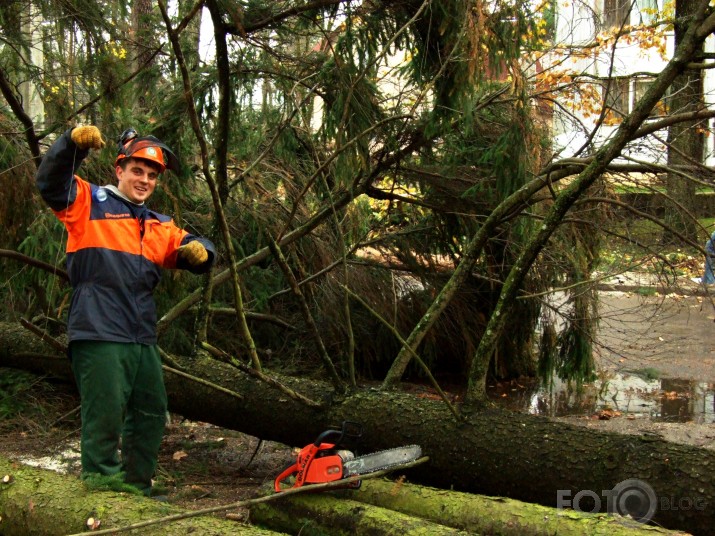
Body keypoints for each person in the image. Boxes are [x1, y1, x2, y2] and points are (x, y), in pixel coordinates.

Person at [36, 125, 216, 495]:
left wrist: (203, 252)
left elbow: (195, 245)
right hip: (98, 328)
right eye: (137, 171)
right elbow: (51, 182)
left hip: (141, 334)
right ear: (120, 170)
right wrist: (71, 143)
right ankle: (102, 486)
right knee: (104, 413)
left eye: (151, 175)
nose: (144, 180)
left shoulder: (157, 224)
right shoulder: (89, 202)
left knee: (151, 410)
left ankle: (137, 488)